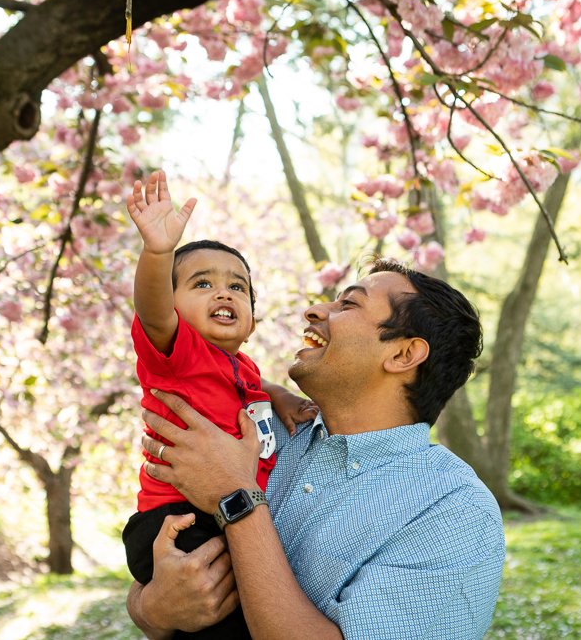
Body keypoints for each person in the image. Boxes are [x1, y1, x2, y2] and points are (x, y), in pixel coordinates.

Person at [126, 258, 505, 640]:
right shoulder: (254, 430)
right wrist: (153, 608)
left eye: (349, 304)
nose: (314, 310)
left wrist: (235, 496)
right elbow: (159, 551)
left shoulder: (455, 511)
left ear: (403, 355)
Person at [122, 171, 317, 639]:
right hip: (176, 519)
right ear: (172, 306)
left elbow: (252, 384)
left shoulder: (242, 366)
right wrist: (157, 252)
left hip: (221, 510)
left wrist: (283, 395)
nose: (224, 292)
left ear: (251, 319)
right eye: (202, 284)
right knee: (228, 615)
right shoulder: (175, 351)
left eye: (238, 287)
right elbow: (150, 308)